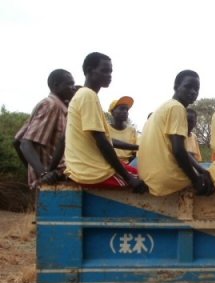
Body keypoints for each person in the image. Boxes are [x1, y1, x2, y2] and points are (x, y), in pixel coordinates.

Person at [64, 52, 146, 192]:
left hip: (85, 168)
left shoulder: (84, 95)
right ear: (90, 71)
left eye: (111, 72)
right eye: (105, 71)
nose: (109, 75)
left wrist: (138, 148)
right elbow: (102, 142)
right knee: (149, 180)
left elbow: (107, 141)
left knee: (142, 172)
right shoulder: (88, 96)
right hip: (93, 172)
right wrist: (128, 178)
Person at [138, 71, 211, 196]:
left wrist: (200, 170)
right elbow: (178, 151)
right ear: (176, 86)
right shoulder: (177, 108)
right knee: (214, 182)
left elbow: (180, 149)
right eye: (188, 86)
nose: (193, 91)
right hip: (166, 179)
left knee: (205, 172)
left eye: (196, 89)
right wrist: (196, 180)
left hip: (149, 176)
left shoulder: (164, 107)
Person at [14, 69, 76, 187]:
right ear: (56, 86)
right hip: (51, 184)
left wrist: (32, 170)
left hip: (54, 182)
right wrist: (43, 173)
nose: (73, 88)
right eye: (69, 84)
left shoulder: (61, 109)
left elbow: (17, 141)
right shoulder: (51, 105)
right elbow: (25, 143)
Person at [108, 96, 138, 163]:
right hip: (109, 163)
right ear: (112, 112)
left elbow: (135, 153)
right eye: (122, 109)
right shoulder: (105, 128)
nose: (125, 112)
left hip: (128, 164)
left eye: (127, 110)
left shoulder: (132, 130)